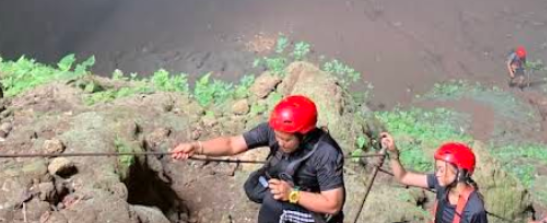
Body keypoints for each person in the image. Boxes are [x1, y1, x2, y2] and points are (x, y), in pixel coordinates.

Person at [172, 95, 345, 222]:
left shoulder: (326, 154)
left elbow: (333, 205)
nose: (280, 142)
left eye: (287, 140)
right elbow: (232, 144)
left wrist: (292, 195)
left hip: (317, 210)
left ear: (304, 135)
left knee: (272, 204)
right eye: (278, 137)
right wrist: (198, 147)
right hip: (289, 185)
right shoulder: (275, 128)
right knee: (254, 185)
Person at [379, 134, 487, 223]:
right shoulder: (440, 183)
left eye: (442, 169)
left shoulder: (474, 209)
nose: (438, 174)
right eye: (437, 169)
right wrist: (393, 153)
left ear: (461, 173)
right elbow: (403, 177)